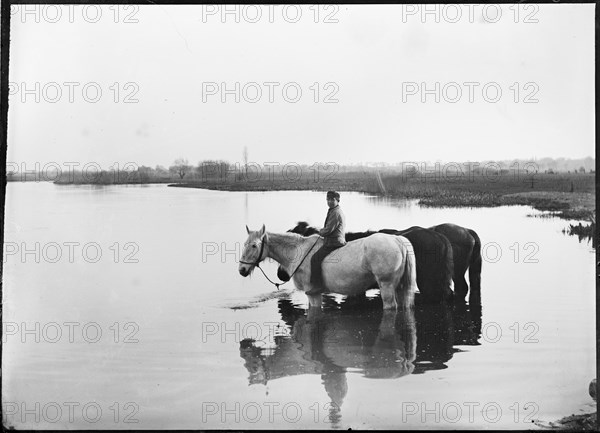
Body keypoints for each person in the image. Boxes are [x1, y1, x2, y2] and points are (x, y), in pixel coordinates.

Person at [307, 191, 346, 295]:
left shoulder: (336, 213)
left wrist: (319, 231)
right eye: (328, 200)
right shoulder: (333, 210)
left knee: (315, 259)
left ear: (337, 200)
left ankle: (318, 286)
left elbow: (328, 230)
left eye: (332, 200)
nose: (329, 202)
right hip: (333, 239)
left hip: (334, 241)